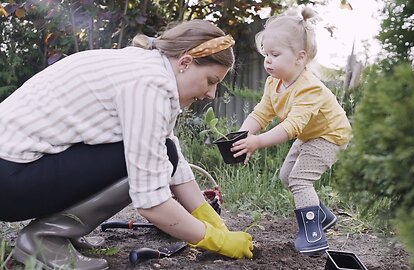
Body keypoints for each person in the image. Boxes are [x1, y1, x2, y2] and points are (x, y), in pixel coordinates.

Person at [0, 19, 253, 270]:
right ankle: (45, 239)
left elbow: (171, 155)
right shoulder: (148, 85)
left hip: (15, 173)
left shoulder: (149, 68)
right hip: (8, 182)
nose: (211, 94)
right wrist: (216, 241)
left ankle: (63, 229)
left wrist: (206, 217)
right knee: (146, 161)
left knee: (165, 152)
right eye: (210, 80)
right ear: (185, 62)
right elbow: (151, 201)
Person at [231, 7, 351, 256]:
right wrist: (242, 137)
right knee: (286, 176)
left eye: (275, 54)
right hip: (310, 135)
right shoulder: (274, 82)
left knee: (300, 180)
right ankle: (322, 216)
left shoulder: (310, 88)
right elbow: (261, 113)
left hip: (330, 136)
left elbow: (291, 127)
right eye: (266, 54)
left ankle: (314, 237)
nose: (268, 60)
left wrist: (257, 142)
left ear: (299, 57)